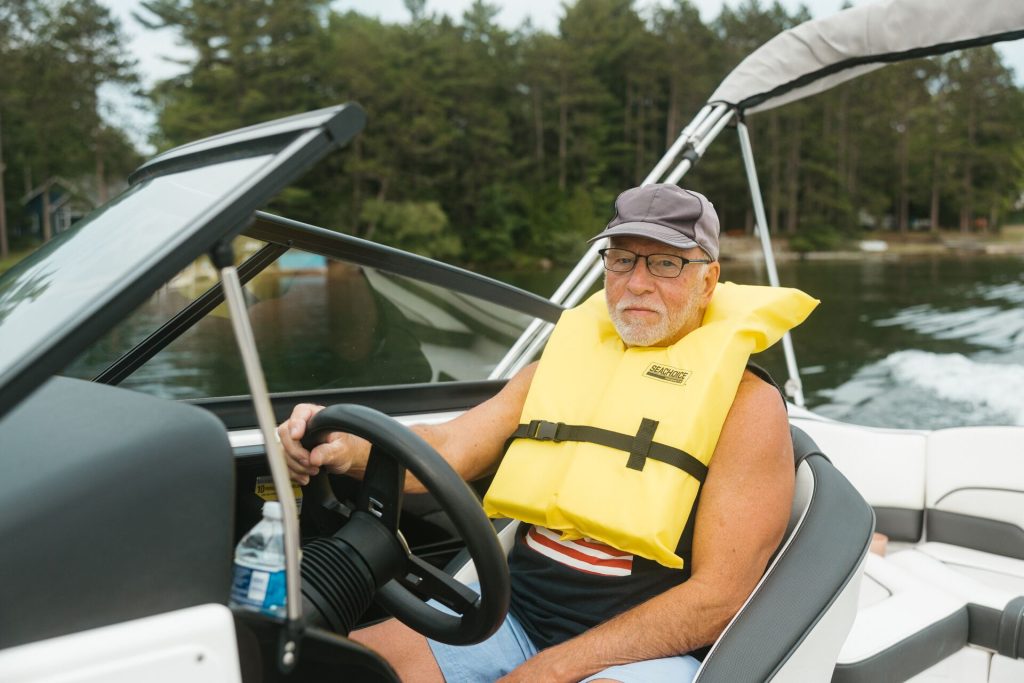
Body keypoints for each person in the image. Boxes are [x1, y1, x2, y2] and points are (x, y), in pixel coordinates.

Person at [278, 184, 798, 683]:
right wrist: (344, 447)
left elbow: (718, 597)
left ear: (708, 280)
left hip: (644, 655)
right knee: (337, 669)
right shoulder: (554, 369)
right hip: (512, 619)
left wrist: (554, 669)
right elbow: (449, 448)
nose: (637, 282)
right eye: (622, 259)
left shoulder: (746, 407)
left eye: (665, 263)